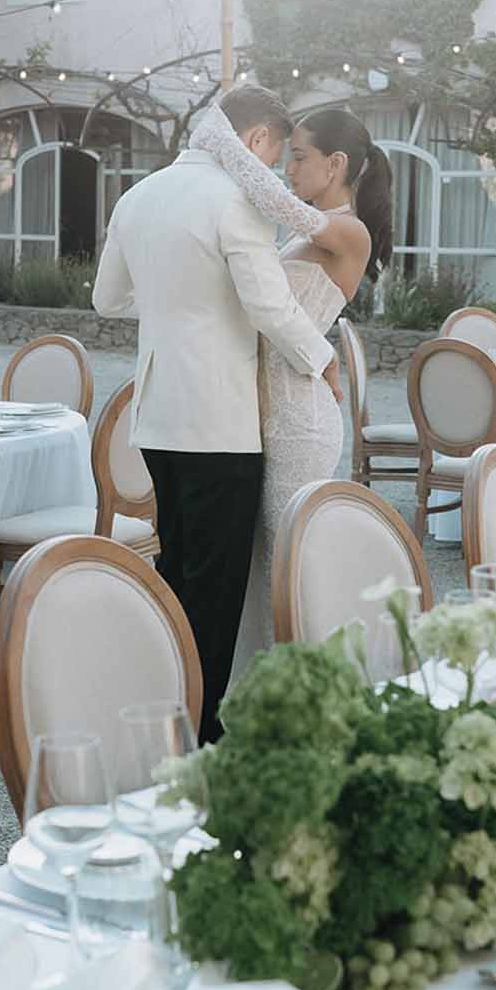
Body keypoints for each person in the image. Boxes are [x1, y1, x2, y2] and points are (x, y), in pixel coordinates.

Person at [91, 83, 340, 741]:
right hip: (220, 420)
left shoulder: (138, 195)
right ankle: (200, 738)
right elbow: (268, 307)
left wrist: (177, 305)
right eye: (274, 152)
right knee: (216, 589)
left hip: (156, 416)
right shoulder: (235, 202)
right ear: (255, 139)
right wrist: (323, 358)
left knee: (173, 573)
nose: (271, 166)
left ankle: (162, 713)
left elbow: (106, 300)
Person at [188, 102, 392, 669]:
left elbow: (272, 200)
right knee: (258, 570)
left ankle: (311, 689)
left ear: (337, 164)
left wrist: (221, 139)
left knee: (292, 565)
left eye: (298, 156)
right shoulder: (307, 232)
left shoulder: (350, 233)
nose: (288, 170)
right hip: (258, 417)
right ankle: (261, 695)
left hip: (302, 424)